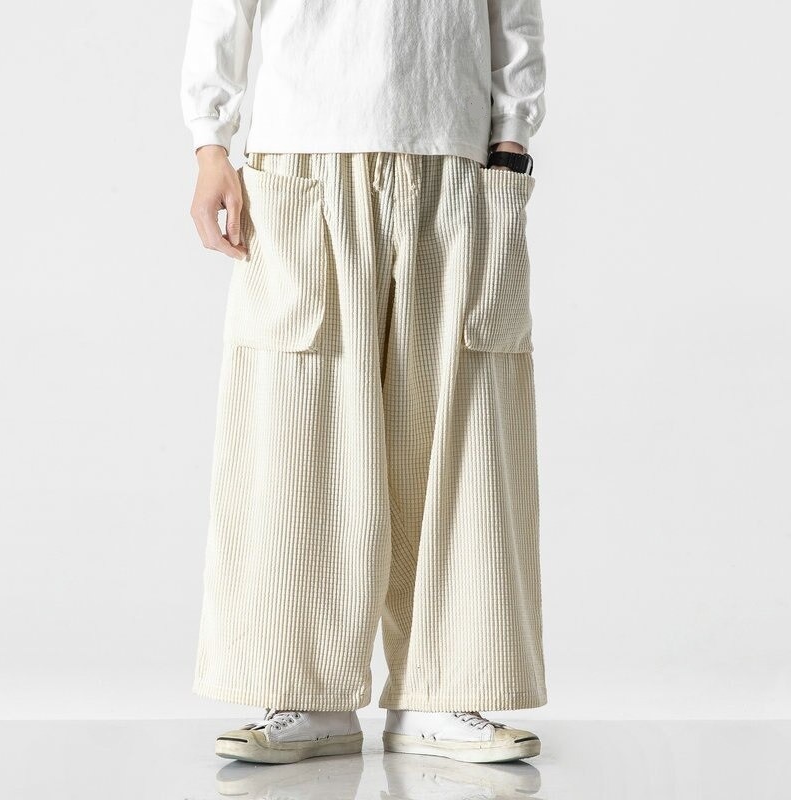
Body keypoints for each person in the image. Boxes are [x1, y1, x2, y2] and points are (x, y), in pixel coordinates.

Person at [180, 0, 548, 766]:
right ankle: (303, 693)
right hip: (303, 148)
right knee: (300, 433)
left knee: (461, 433)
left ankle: (444, 694)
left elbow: (514, 10)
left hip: (453, 150)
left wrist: (511, 137)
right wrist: (211, 142)